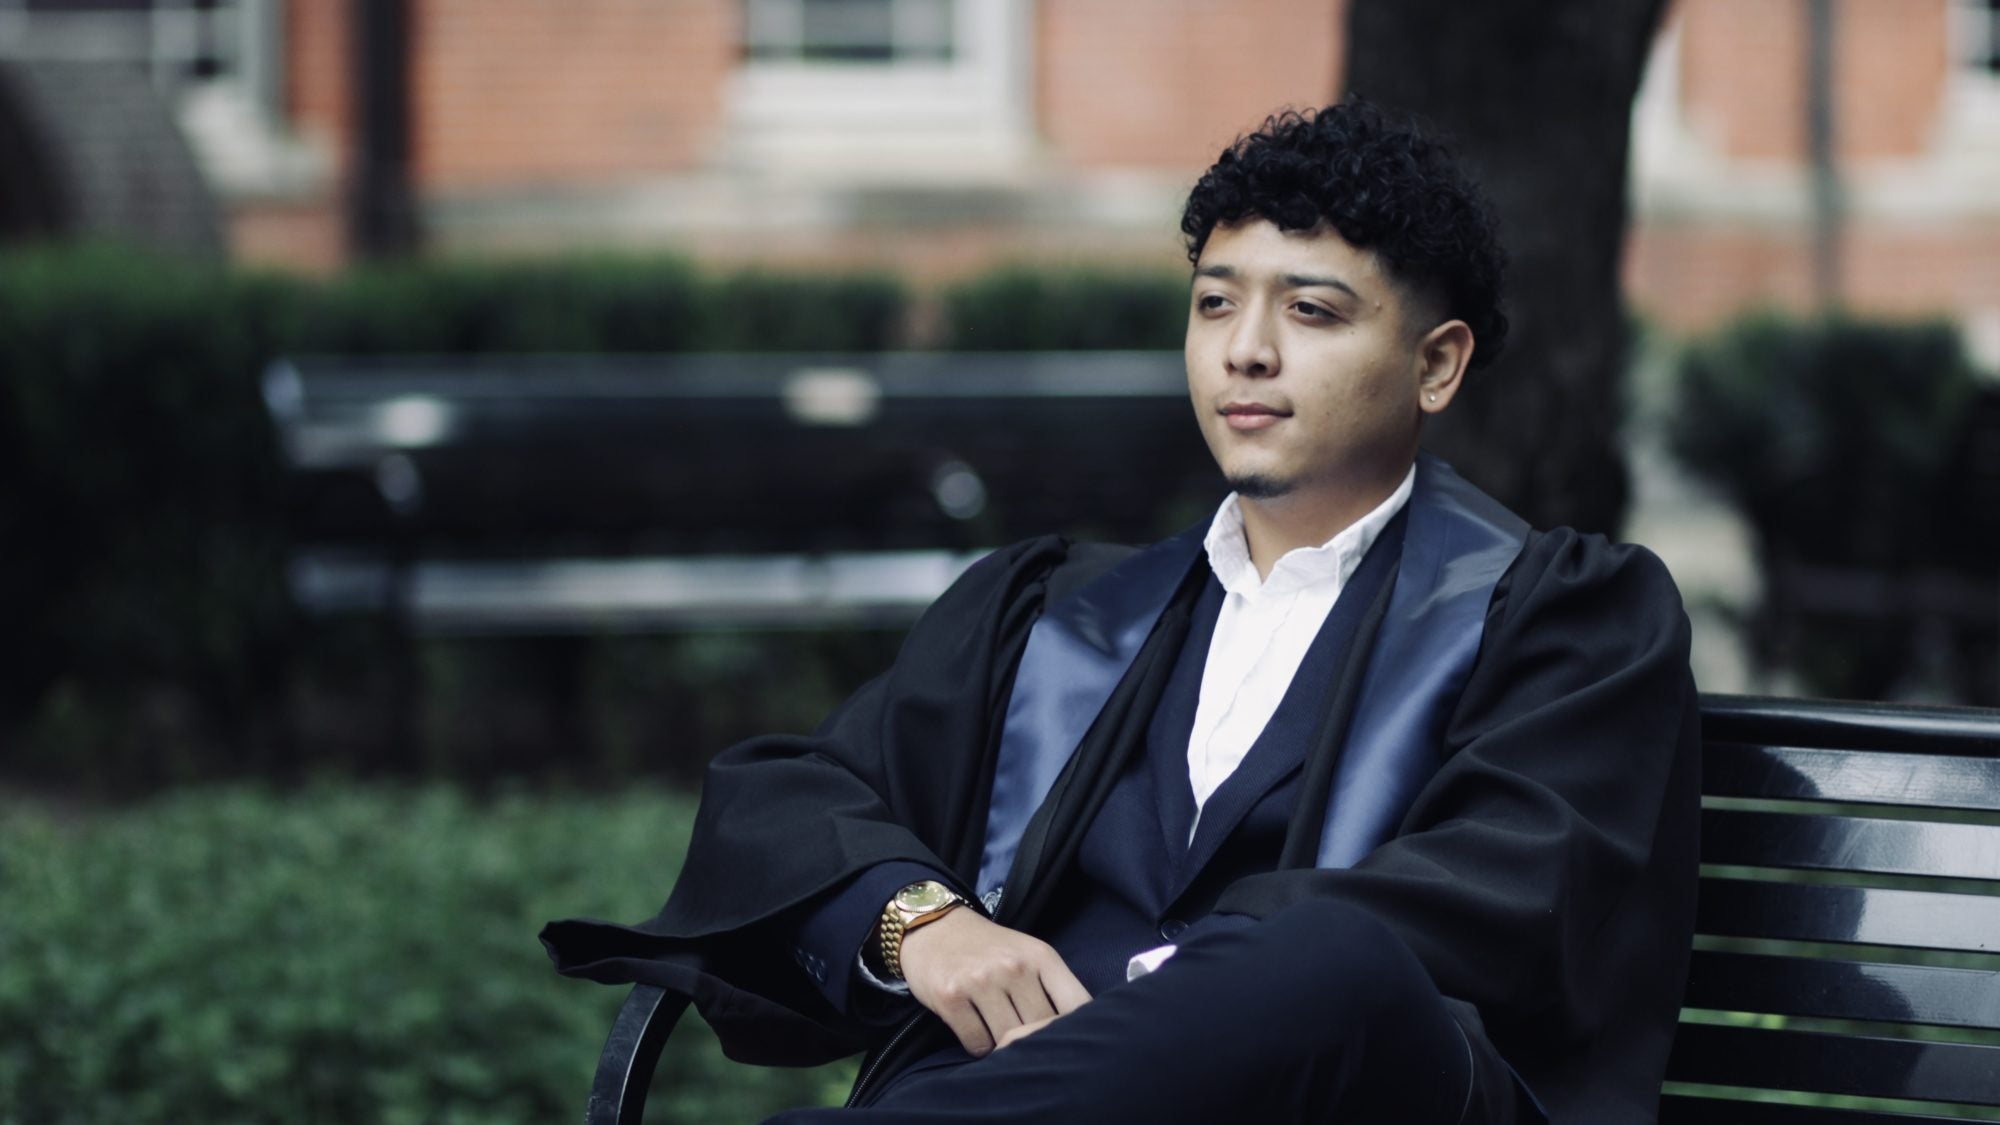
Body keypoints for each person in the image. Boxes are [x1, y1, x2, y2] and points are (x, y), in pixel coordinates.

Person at [542, 101, 1699, 1124]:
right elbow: (786, 793)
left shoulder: (1562, 619)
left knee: (1337, 958)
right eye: (1213, 304)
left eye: (1309, 310)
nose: (1245, 351)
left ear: (1434, 366)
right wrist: (920, 921)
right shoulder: (1056, 615)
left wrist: (1176, 990)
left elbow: (1501, 908)